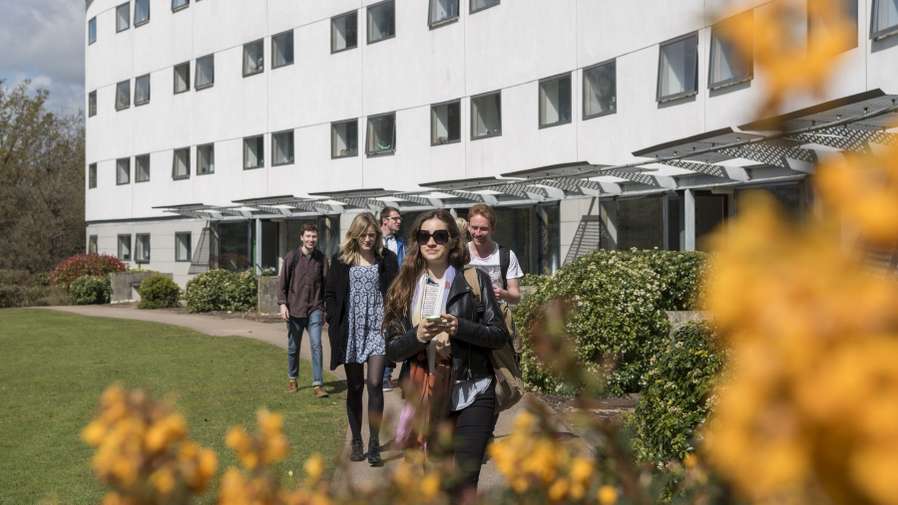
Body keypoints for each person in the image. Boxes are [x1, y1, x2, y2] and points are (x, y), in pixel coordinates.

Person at [384, 209, 509, 499]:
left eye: (439, 235)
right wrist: (417, 337)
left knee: (464, 483)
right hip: (430, 396)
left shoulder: (473, 278)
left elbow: (498, 334)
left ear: (452, 240)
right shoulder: (404, 287)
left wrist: (459, 327)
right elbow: (392, 348)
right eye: (424, 236)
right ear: (416, 241)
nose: (431, 242)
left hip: (473, 390)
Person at [325, 213, 398, 466]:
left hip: (378, 328)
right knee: (355, 387)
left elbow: (397, 291)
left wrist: (391, 318)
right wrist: (334, 319)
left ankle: (375, 442)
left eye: (372, 235)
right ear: (355, 235)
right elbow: (331, 293)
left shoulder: (387, 259)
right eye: (364, 235)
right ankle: (356, 439)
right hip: (352, 329)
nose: (368, 239)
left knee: (375, 383)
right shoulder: (341, 260)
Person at [277, 223, 328, 398]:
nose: (311, 239)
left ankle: (318, 385)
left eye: (314, 236)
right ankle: (292, 379)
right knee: (293, 347)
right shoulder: (291, 257)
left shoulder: (322, 259)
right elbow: (282, 283)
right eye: (308, 236)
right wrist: (282, 304)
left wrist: (324, 310)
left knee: (316, 345)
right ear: (301, 237)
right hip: (295, 309)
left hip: (315, 308)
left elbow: (326, 285)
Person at [379, 206, 405, 392]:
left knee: (393, 333)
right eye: (395, 218)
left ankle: (386, 375)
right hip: (377, 295)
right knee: (379, 335)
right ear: (384, 220)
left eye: (399, 218)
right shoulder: (372, 241)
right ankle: (380, 374)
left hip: (396, 295)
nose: (399, 221)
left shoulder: (401, 243)